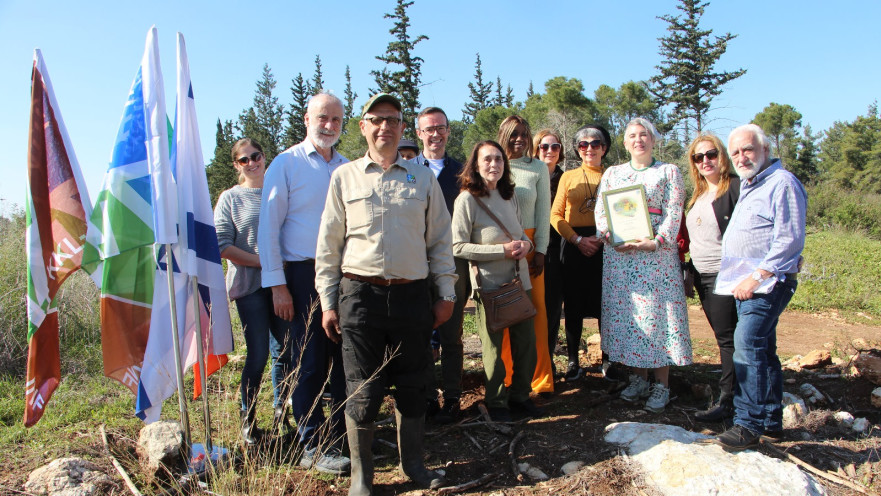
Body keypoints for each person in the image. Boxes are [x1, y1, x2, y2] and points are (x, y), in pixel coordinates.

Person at [315, 93, 455, 494]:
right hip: (360, 296)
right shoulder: (344, 177)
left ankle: (413, 465)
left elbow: (440, 243)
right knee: (361, 388)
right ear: (363, 126)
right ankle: (362, 477)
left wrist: (445, 292)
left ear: (402, 128)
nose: (385, 127)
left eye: (392, 119)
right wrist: (328, 302)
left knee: (414, 385)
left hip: (413, 297)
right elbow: (328, 246)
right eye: (376, 119)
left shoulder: (424, 179)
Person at [257, 92, 350, 474]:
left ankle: (344, 436)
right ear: (306, 119)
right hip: (300, 277)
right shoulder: (286, 164)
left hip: (346, 275)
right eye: (322, 118)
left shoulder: (348, 167)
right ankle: (311, 442)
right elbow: (268, 229)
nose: (329, 126)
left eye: (336, 120)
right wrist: (277, 285)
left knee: (346, 359)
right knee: (308, 360)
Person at [711, 124, 806, 450]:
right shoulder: (753, 185)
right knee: (763, 350)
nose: (741, 156)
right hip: (747, 285)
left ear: (765, 150)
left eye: (748, 149)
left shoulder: (783, 183)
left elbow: (789, 238)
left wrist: (757, 277)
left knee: (747, 343)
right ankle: (770, 424)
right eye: (735, 151)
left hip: (767, 283)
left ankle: (747, 425)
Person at [594, 117, 692, 413]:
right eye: (632, 136)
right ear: (624, 143)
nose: (638, 140)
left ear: (653, 140)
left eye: (644, 135)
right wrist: (609, 234)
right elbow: (601, 209)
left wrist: (657, 241)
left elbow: (674, 211)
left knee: (658, 318)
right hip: (622, 257)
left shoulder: (668, 172)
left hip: (655, 259)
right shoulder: (613, 173)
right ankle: (638, 378)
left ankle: (661, 384)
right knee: (632, 318)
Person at [452, 140, 538, 422]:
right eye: (487, 159)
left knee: (525, 344)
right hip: (489, 287)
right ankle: (497, 401)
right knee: (493, 349)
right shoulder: (467, 199)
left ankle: (521, 396)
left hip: (518, 281)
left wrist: (525, 245)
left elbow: (520, 233)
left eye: (499, 159)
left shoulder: (509, 195)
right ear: (475, 165)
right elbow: (458, 247)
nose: (494, 165)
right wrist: (500, 250)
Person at [214, 138, 281, 446]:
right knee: (257, 354)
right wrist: (263, 263)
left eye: (256, 156)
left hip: (281, 284)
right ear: (236, 165)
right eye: (244, 160)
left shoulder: (278, 190)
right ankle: (248, 418)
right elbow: (223, 245)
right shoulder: (230, 198)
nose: (252, 162)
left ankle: (283, 412)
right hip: (249, 287)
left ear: (264, 156)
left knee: (286, 350)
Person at [680, 134, 740, 422]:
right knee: (725, 337)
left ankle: (729, 402)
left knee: (729, 340)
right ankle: (736, 398)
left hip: (726, 274)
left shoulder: (736, 189)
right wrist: (690, 271)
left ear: (722, 155)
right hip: (702, 275)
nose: (705, 161)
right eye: (698, 157)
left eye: (711, 154)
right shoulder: (699, 195)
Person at [414, 107, 468, 423]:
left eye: (441, 128)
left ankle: (452, 398)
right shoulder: (406, 170)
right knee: (419, 333)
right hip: (414, 264)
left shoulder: (463, 173)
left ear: (448, 131)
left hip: (453, 263)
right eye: (429, 128)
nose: (435, 134)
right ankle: (425, 397)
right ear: (419, 133)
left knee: (451, 333)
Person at [497, 116, 553, 399]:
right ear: (503, 135)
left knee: (535, 313)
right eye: (513, 134)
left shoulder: (538, 168)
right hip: (499, 249)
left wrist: (540, 249)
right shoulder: (494, 164)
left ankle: (539, 378)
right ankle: (507, 377)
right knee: (505, 312)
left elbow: (544, 213)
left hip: (530, 248)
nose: (519, 139)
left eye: (524, 134)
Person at [550, 125, 611, 381]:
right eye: (583, 144)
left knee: (606, 305)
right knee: (573, 305)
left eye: (595, 143)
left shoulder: (614, 175)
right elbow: (555, 215)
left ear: (604, 148)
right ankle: (574, 360)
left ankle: (609, 360)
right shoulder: (568, 177)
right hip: (574, 245)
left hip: (607, 245)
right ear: (577, 149)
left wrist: (601, 238)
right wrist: (577, 239)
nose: (589, 148)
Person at [533, 129, 566, 380]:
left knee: (552, 309)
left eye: (555, 147)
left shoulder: (566, 180)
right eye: (544, 146)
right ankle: (530, 362)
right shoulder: (528, 176)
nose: (550, 151)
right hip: (529, 250)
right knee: (530, 307)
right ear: (536, 149)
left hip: (557, 252)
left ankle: (548, 362)